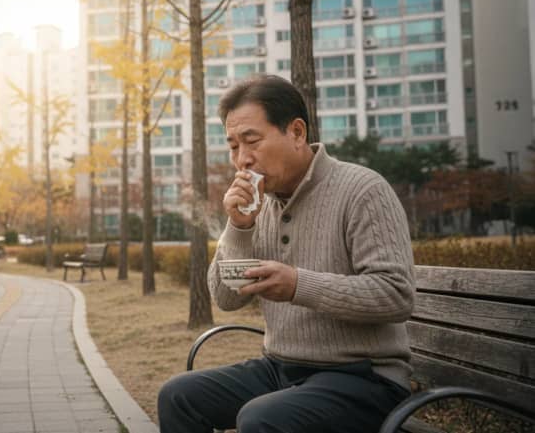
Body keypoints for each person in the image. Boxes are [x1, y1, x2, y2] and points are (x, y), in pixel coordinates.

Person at [158, 75, 415, 433]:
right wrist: (239, 227)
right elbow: (224, 299)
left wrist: (298, 285)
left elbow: (396, 295)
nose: (242, 160)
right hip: (281, 368)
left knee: (261, 417)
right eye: (233, 146)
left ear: (296, 132)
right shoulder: (258, 205)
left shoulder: (362, 190)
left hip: (365, 377)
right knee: (177, 396)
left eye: (252, 141)